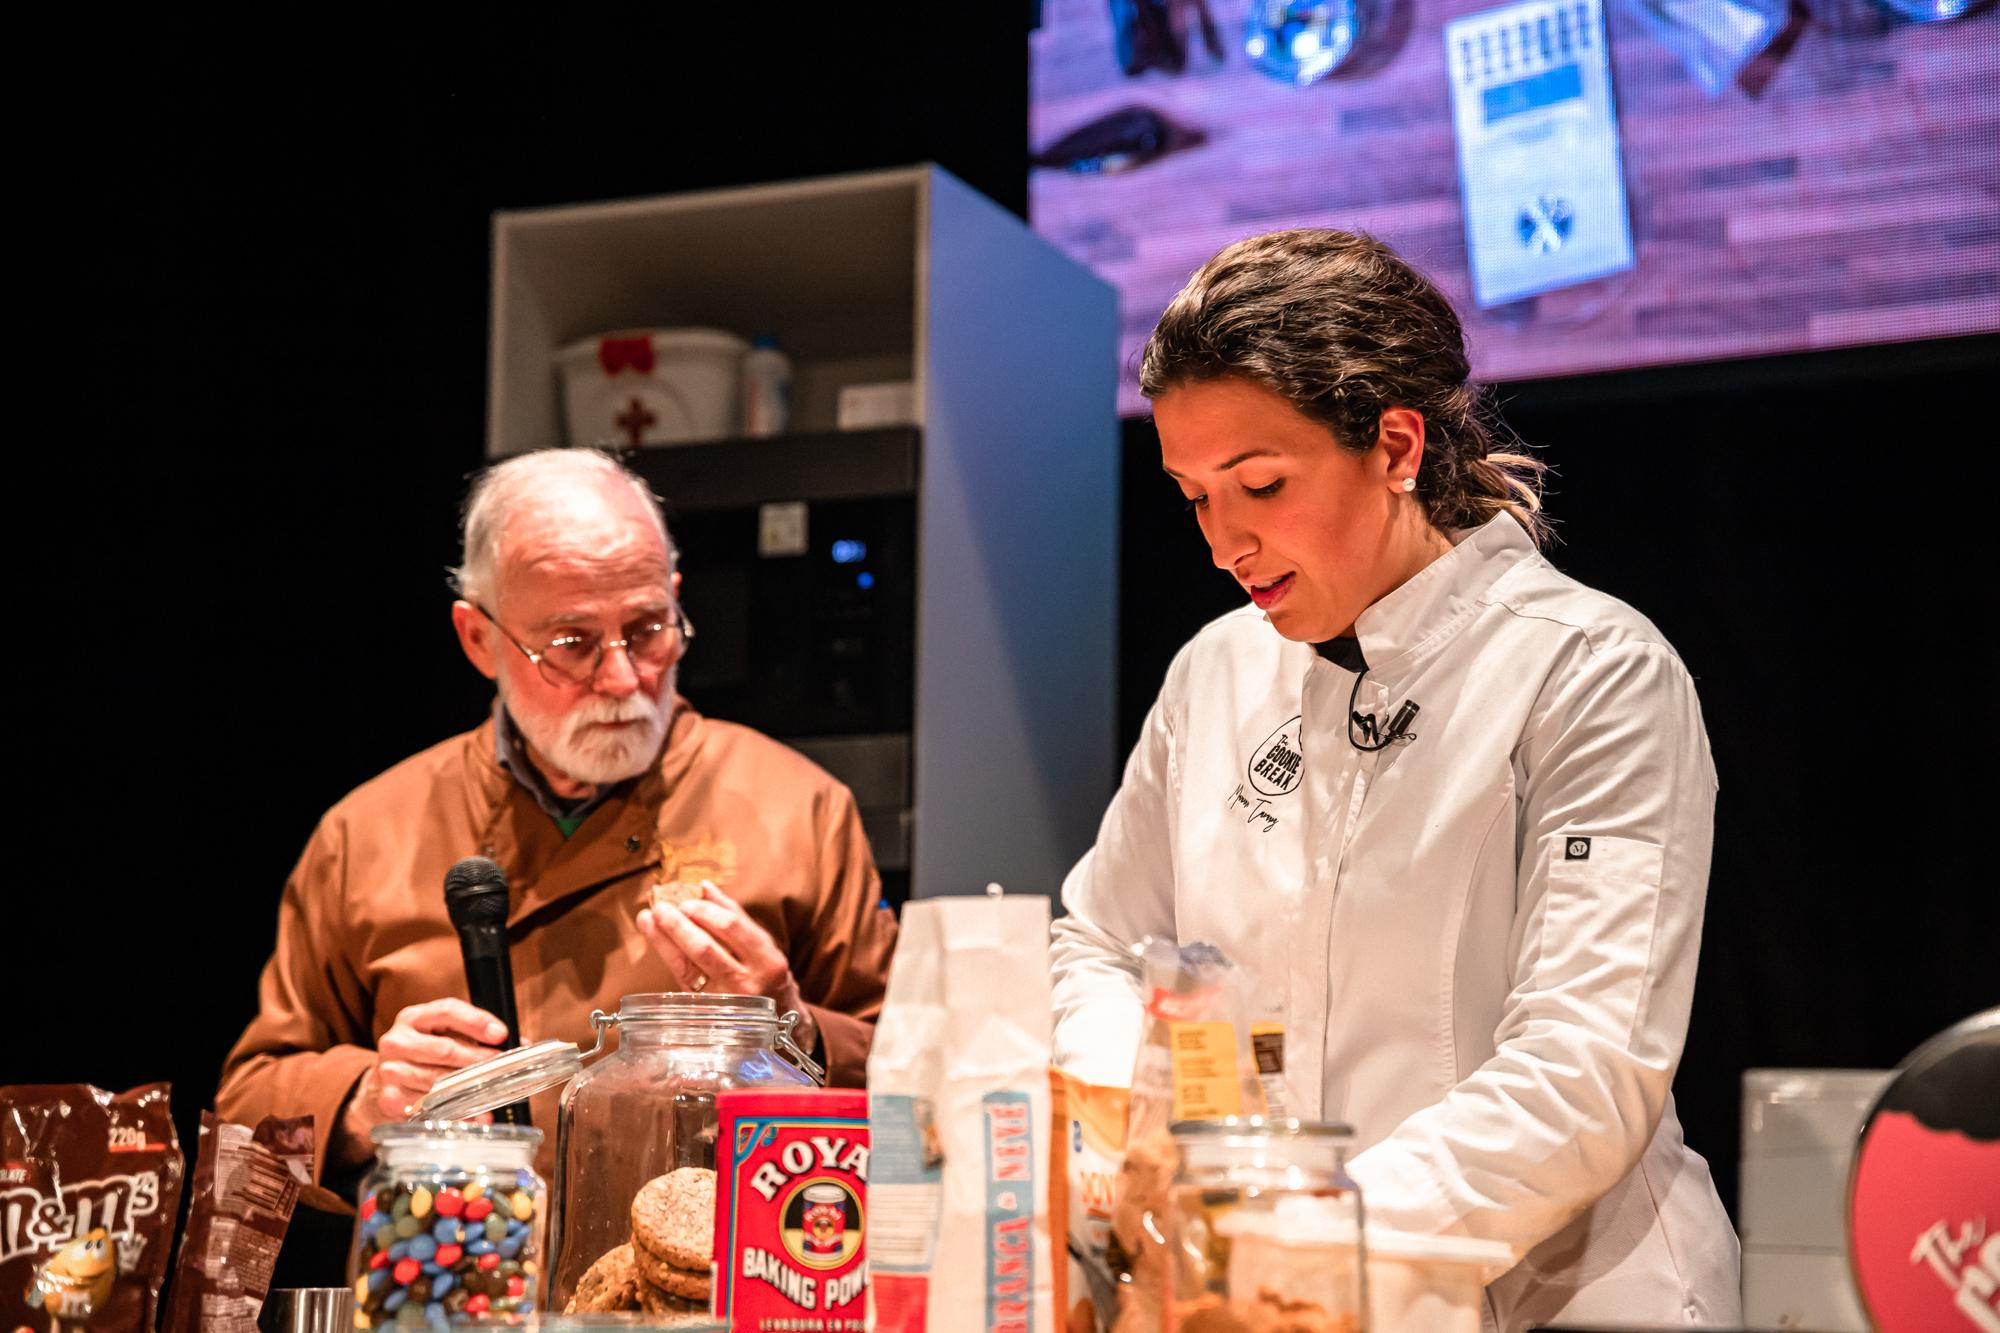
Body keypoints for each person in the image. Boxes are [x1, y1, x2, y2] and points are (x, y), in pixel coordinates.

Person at [1050, 230, 1740, 1327]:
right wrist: (1123, 1106)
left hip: (1558, 1298)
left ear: (1396, 444)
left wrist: (1313, 1240)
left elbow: (1583, 1067)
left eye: (1260, 484)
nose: (1222, 542)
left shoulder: (1590, 670)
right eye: (1192, 497)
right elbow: (1095, 942)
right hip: (1257, 1296)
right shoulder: (1213, 673)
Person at [217, 448, 897, 1190]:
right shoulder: (365, 832)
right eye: (571, 644)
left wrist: (795, 1032)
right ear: (478, 638)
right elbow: (247, 1105)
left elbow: (918, 1080)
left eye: (647, 629)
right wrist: (363, 1098)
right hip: (454, 1281)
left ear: (676, 598)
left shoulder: (800, 809)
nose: (622, 678)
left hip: (706, 1284)